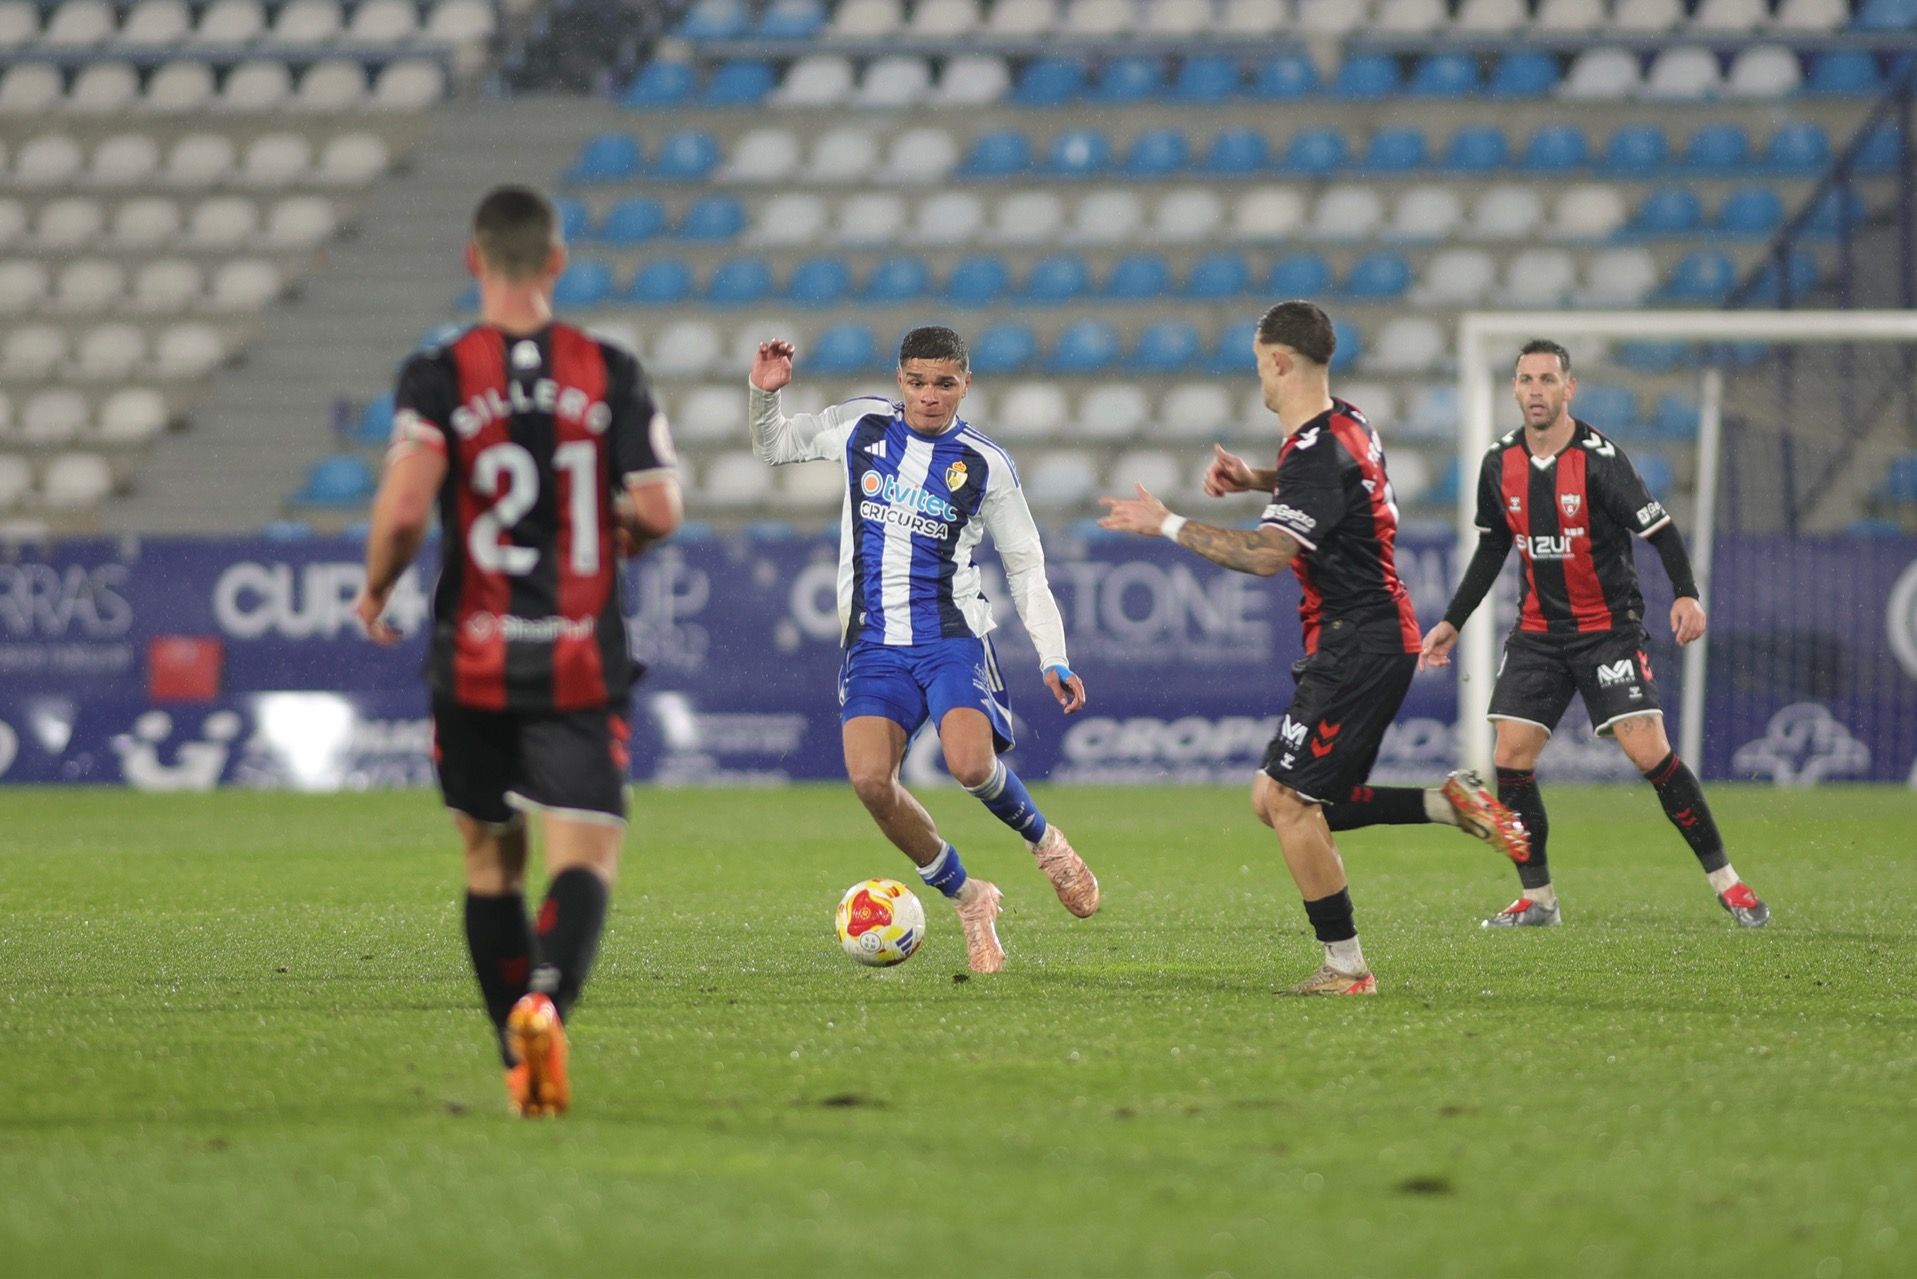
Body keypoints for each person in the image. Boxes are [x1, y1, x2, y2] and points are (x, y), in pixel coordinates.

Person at [354, 185, 683, 1116]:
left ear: (473, 259)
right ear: (557, 262)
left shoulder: (438, 372)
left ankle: (515, 1050)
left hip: (472, 654)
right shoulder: (606, 367)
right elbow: (658, 508)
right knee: (584, 854)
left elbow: (409, 508)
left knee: (490, 862)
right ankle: (549, 1003)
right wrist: (616, 534)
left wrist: (377, 587)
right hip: (580, 651)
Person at [1098, 301, 1528, 996]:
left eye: (1256, 363)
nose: (1257, 379)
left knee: (1292, 800)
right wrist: (1253, 481)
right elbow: (1327, 487)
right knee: (1273, 796)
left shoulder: (1313, 449)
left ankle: (1345, 967)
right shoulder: (1347, 423)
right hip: (1369, 635)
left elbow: (1268, 557)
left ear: (1276, 360)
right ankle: (1445, 804)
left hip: (1357, 640)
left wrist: (1168, 523)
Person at [747, 327, 1098, 974]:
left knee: (968, 764)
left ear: (965, 383)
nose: (928, 397)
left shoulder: (984, 463)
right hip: (873, 644)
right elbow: (772, 446)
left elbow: (1024, 565)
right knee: (870, 782)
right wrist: (763, 396)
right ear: (899, 379)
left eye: (943, 383)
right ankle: (969, 898)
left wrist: (1054, 654)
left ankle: (1045, 843)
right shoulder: (861, 427)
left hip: (949, 637)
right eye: (915, 381)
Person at [1419, 339, 1768, 929]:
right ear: (1514, 388)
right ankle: (1539, 899)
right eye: (1526, 379)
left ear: (1568, 388)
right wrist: (1453, 621)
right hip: (1537, 633)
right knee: (1511, 758)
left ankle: (1729, 884)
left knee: (1649, 753)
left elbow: (1661, 531)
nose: (1536, 391)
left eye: (1548, 380)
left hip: (1608, 629)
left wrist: (1686, 592)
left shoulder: (1601, 460)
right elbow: (1492, 547)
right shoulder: (1497, 464)